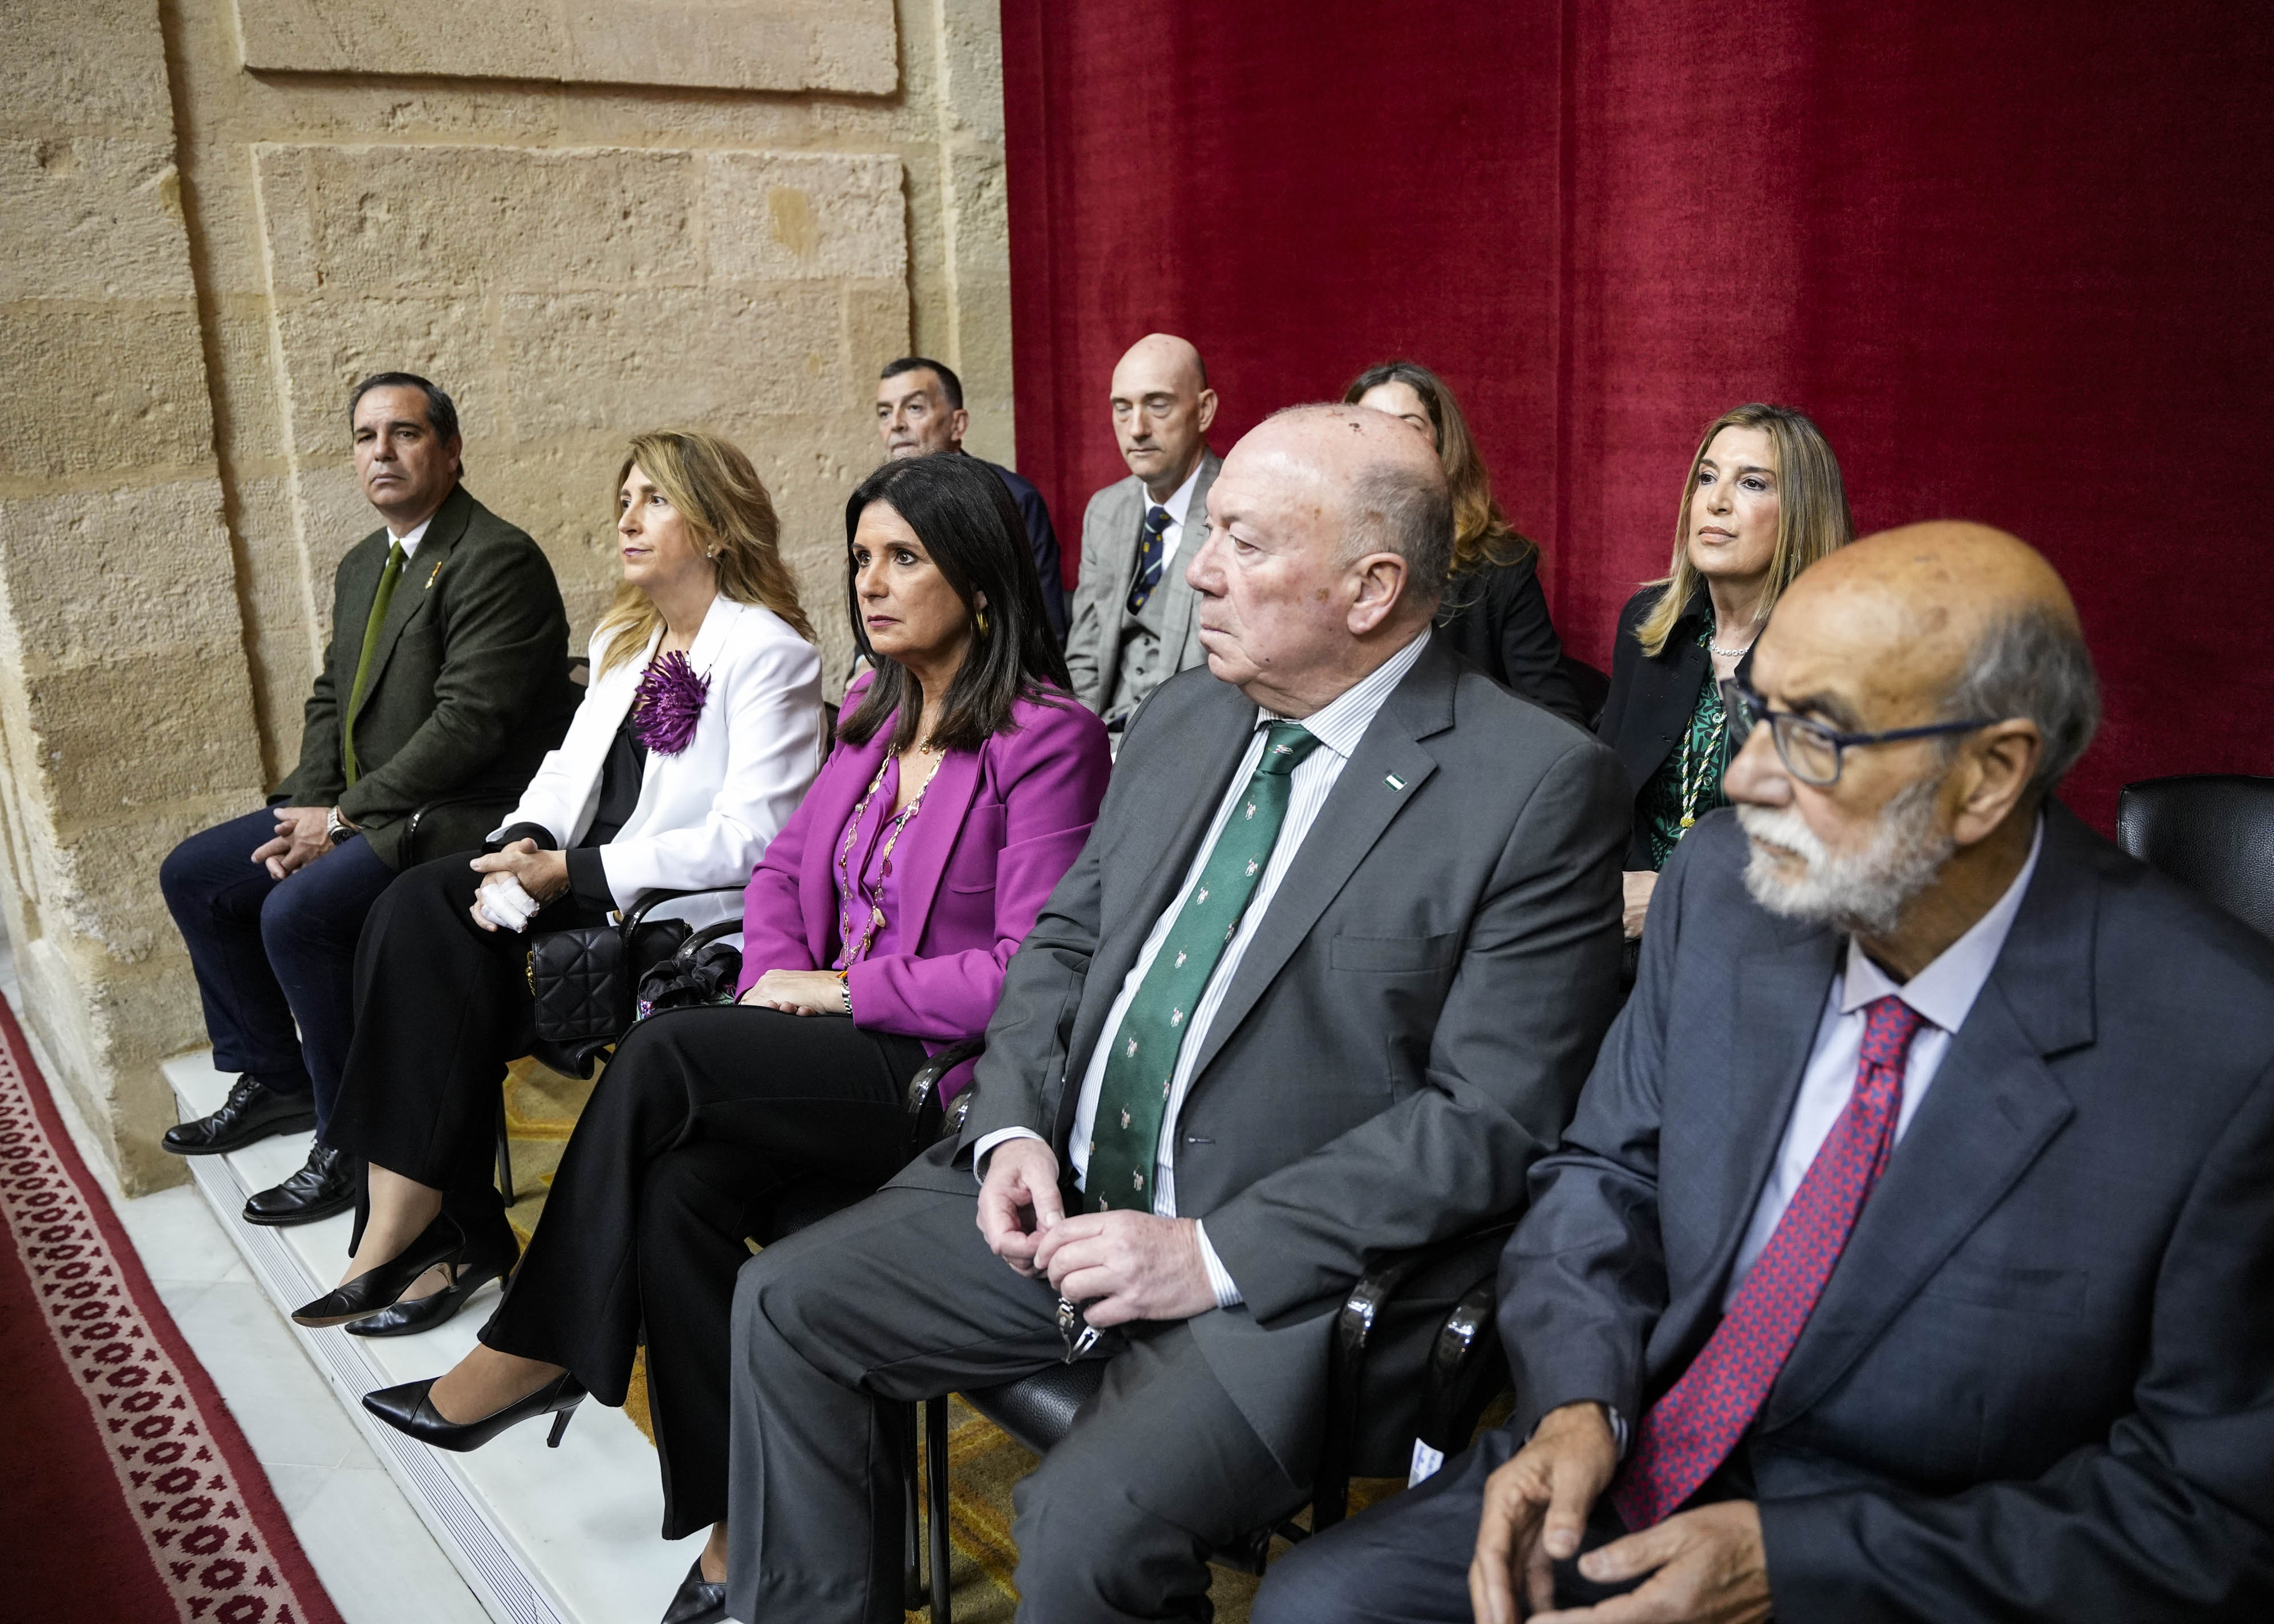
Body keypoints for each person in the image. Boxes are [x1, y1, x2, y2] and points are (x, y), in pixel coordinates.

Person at [1253, 524, 2274, 1624]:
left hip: (1919, 1558)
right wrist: (1576, 1402)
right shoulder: (1726, 889)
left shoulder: (2226, 1056)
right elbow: (1607, 1174)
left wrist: (1797, 1561)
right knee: (1319, 1603)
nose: (1744, 778)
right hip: (1629, 1445)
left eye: (1814, 736)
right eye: (1754, 712)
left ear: (1989, 774)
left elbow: (2206, 1515)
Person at [720, 405, 1630, 1623]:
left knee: (1082, 1530)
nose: (1198, 567)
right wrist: (1013, 1132)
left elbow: (1488, 1119)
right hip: (1057, 1196)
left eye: (1244, 544)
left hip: (1270, 1271)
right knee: (783, 1300)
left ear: (1370, 587)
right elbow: (1062, 942)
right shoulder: (1186, 714)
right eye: (1209, 534)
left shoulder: (1530, 784)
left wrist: (1204, 1254)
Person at [360, 452, 1109, 1624]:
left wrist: (836, 995)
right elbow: (780, 873)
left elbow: (1030, 973)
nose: (871, 581)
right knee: (679, 1190)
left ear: (978, 578)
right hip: (815, 1043)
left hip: (931, 1075)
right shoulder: (873, 711)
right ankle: (738, 1526)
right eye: (861, 555)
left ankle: (542, 1341)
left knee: (663, 1053)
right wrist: (771, 984)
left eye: (904, 557)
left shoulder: (1046, 736)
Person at [295, 429, 826, 1337]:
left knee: (433, 954)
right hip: (570, 881)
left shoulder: (767, 651)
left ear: (715, 524)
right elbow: (563, 768)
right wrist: (523, 842)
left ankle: (433, 1233)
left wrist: (570, 871)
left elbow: (753, 840)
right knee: (413, 911)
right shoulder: (625, 636)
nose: (627, 517)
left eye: (653, 499)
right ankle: (415, 1228)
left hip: (669, 919)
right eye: (622, 499)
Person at [157, 372, 580, 1227]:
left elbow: (470, 727)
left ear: (451, 452)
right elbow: (328, 701)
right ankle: (278, 1077)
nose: (381, 452)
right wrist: (304, 812)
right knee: (200, 876)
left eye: (405, 434)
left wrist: (342, 821)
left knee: (298, 917)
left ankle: (352, 1145)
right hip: (369, 806)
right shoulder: (364, 564)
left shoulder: (496, 558)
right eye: (364, 437)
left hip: (463, 816)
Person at [1598, 403, 1851, 945]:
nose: (1715, 501)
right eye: (1707, 477)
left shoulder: (1839, 657)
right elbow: (1605, 799)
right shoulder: (1647, 625)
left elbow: (1834, 863)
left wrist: (1671, 896)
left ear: (1801, 513)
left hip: (1762, 946)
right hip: (1624, 946)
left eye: (1752, 484)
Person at [1344, 361, 1583, 724]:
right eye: (1368, 425)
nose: (1386, 439)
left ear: (1441, 443)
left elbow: (1557, 717)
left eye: (1408, 426)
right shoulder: (1309, 550)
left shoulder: (1500, 564)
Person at [1063, 333, 1223, 734]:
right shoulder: (1104, 510)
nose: (1136, 429)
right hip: (1103, 735)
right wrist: (1079, 741)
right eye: (1122, 408)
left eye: (1157, 405)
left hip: (1192, 738)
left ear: (1203, 410)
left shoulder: (1238, 511)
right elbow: (1083, 656)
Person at [875, 355, 1068, 640]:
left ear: (958, 424)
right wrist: (863, 664)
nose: (896, 424)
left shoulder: (1014, 500)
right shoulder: (876, 506)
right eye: (884, 413)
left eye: (914, 408)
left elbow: (1044, 628)